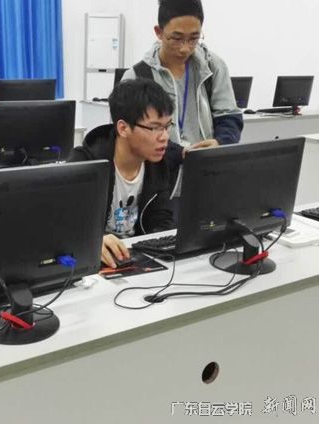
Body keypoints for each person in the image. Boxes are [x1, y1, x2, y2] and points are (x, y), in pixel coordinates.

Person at [121, 0, 242, 190]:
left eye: (194, 38)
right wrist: (179, 153)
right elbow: (130, 136)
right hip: (158, 184)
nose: (185, 48)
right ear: (159, 32)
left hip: (207, 177)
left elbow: (230, 116)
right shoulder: (137, 76)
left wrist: (220, 142)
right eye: (176, 38)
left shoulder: (212, 66)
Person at [68, 79, 175, 268]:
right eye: (154, 128)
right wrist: (93, 240)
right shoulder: (85, 163)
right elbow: (66, 223)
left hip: (135, 257)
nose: (164, 137)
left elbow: (161, 219)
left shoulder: (158, 162)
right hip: (93, 262)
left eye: (167, 126)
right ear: (123, 128)